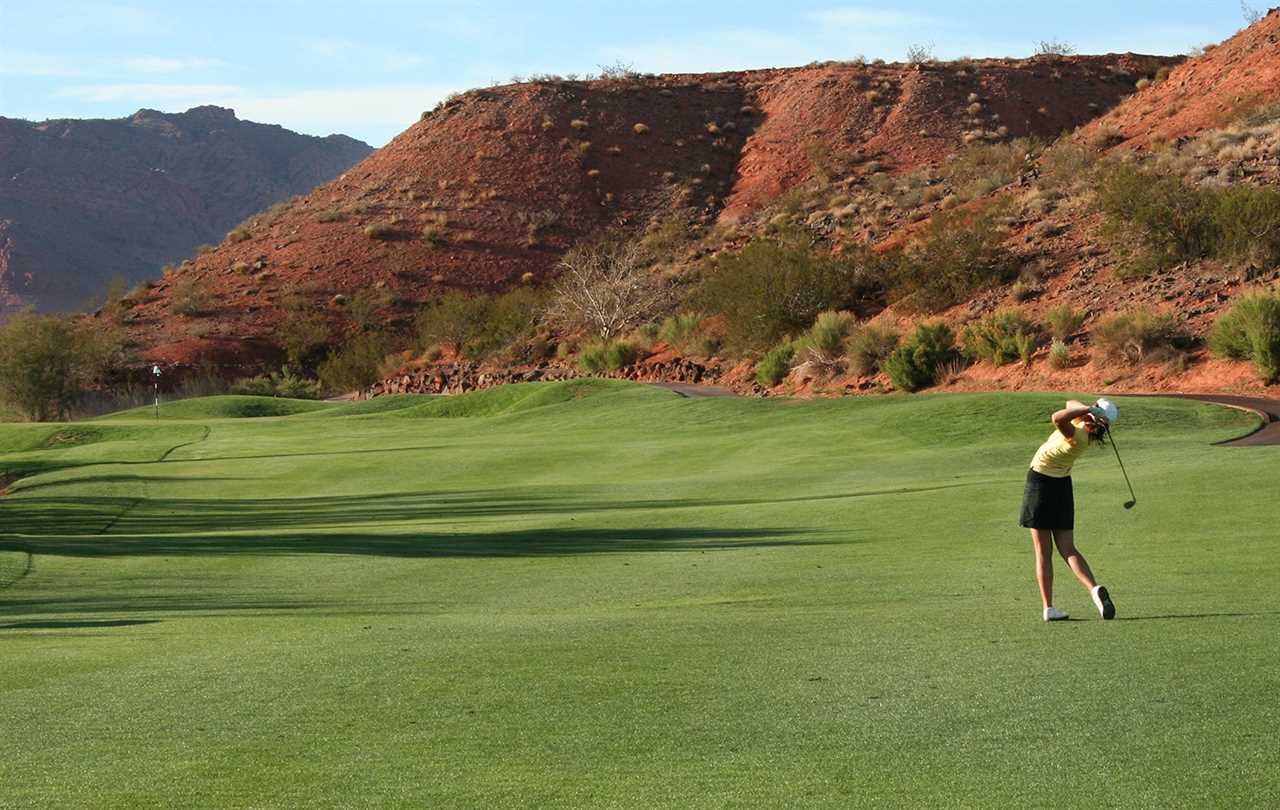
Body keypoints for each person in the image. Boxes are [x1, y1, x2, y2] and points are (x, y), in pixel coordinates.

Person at [1019, 399, 1117, 622]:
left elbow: (1056, 417)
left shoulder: (1077, 434)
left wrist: (1087, 410)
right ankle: (1094, 589)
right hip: (1062, 486)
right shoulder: (1086, 432)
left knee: (1043, 551)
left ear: (1093, 418)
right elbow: (1070, 402)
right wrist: (1089, 409)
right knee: (1068, 548)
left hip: (1040, 484)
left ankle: (1049, 608)